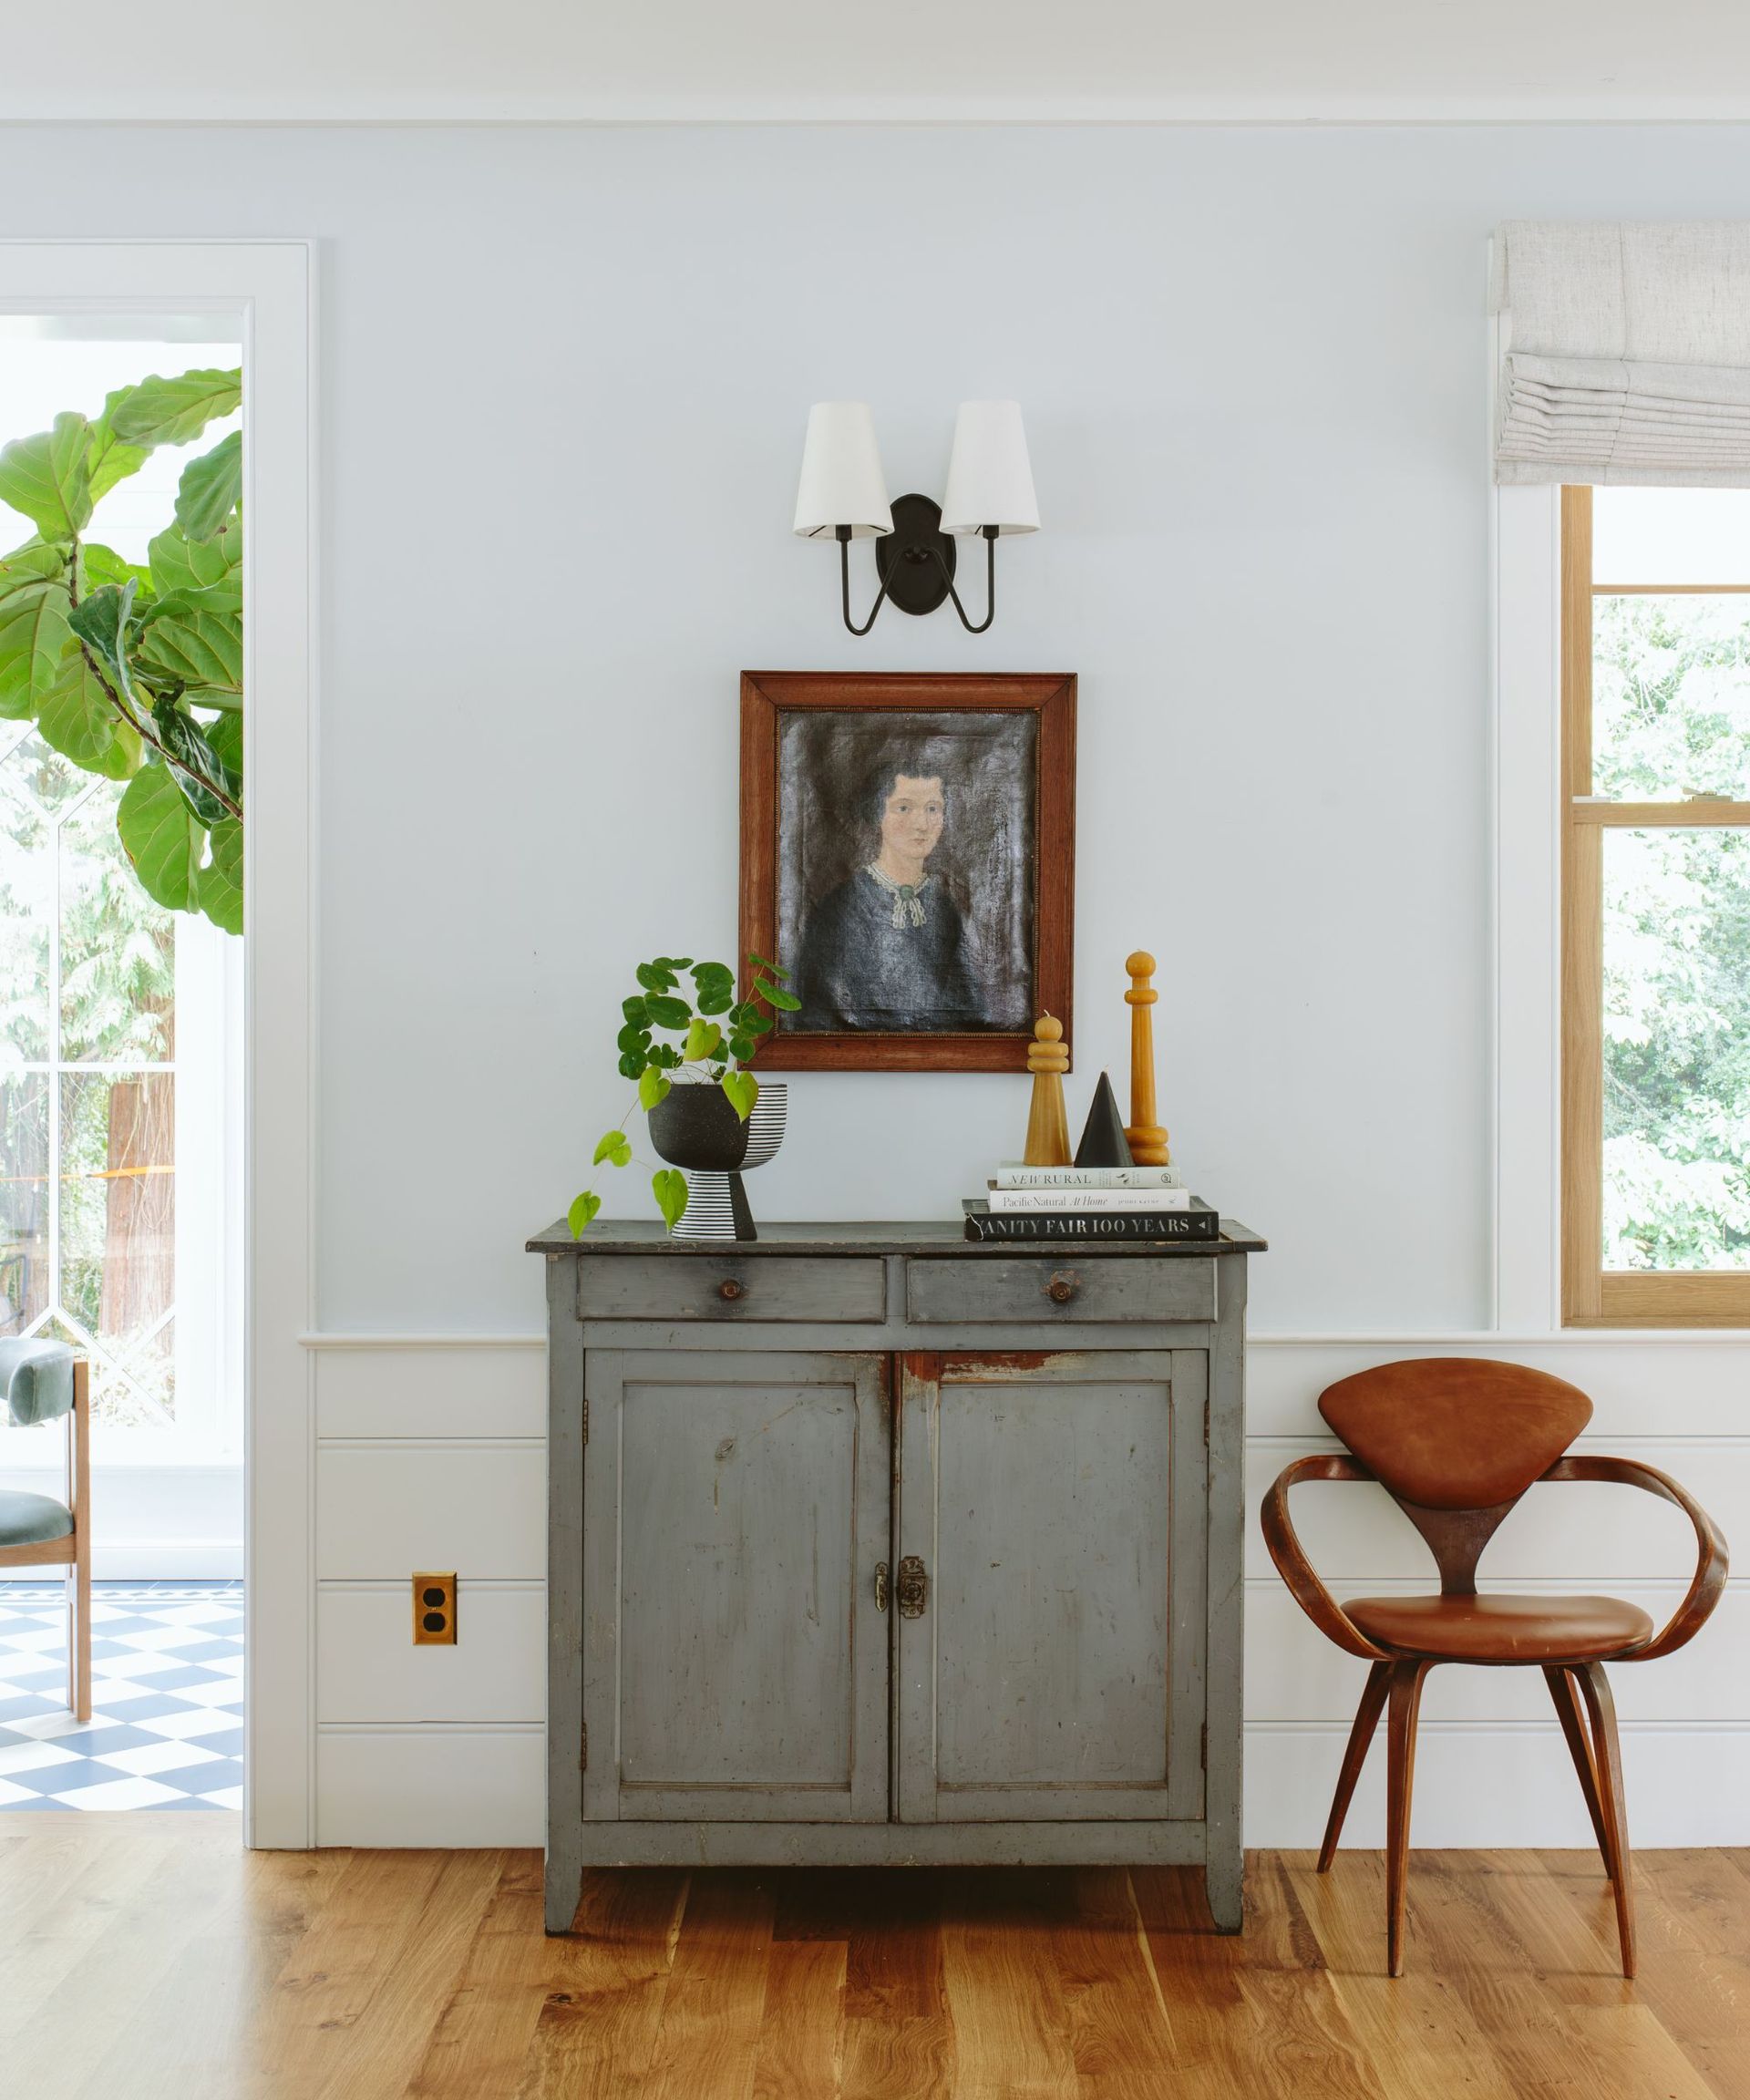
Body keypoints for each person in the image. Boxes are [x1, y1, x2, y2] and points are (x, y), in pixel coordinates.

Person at [794, 763, 988, 1030]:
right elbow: (817, 1011)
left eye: (933, 809)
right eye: (904, 808)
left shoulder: (945, 907)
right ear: (878, 814)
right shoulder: (840, 907)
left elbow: (969, 1010)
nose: (921, 824)